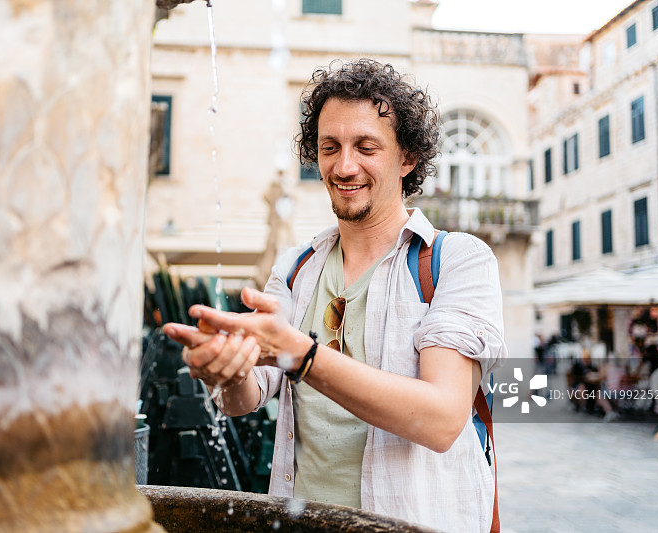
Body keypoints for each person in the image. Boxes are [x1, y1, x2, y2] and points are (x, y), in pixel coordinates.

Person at [163, 59, 506, 532]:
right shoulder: (296, 267)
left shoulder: (458, 261)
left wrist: (302, 355)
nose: (344, 167)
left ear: (407, 158)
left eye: (366, 147)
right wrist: (224, 370)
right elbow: (246, 396)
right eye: (330, 147)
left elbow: (442, 419)